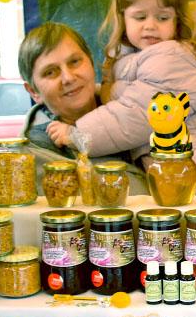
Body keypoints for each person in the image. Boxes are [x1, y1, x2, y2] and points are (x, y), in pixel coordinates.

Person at [45, 0, 196, 195]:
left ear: (177, 21)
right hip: (188, 181)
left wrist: (78, 135)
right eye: (140, 17)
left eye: (162, 18)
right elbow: (133, 94)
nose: (150, 25)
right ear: (123, 18)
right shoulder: (141, 60)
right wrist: (100, 89)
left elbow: (138, 115)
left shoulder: (173, 59)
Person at [18, 22, 149, 195]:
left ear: (91, 61)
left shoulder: (137, 108)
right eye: (51, 72)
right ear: (34, 92)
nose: (68, 78)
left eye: (74, 62)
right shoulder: (31, 157)